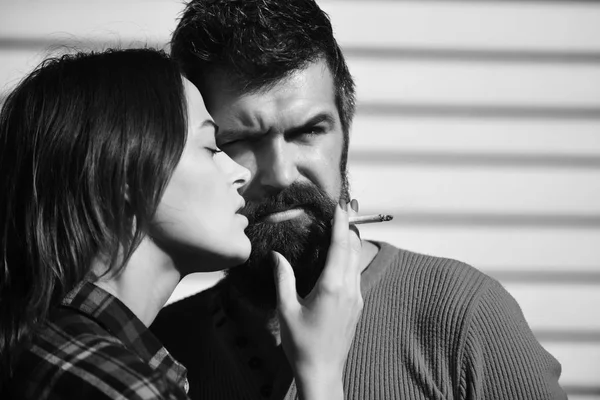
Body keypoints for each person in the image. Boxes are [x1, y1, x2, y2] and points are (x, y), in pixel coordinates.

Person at [150, 0, 568, 399]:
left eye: (308, 131)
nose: (280, 172)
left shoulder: (464, 316)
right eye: (240, 139)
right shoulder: (160, 348)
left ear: (345, 134)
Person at [0, 48, 364, 400]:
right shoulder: (126, 388)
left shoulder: (40, 345)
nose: (240, 174)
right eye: (213, 146)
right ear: (127, 176)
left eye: (309, 131)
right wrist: (321, 378)